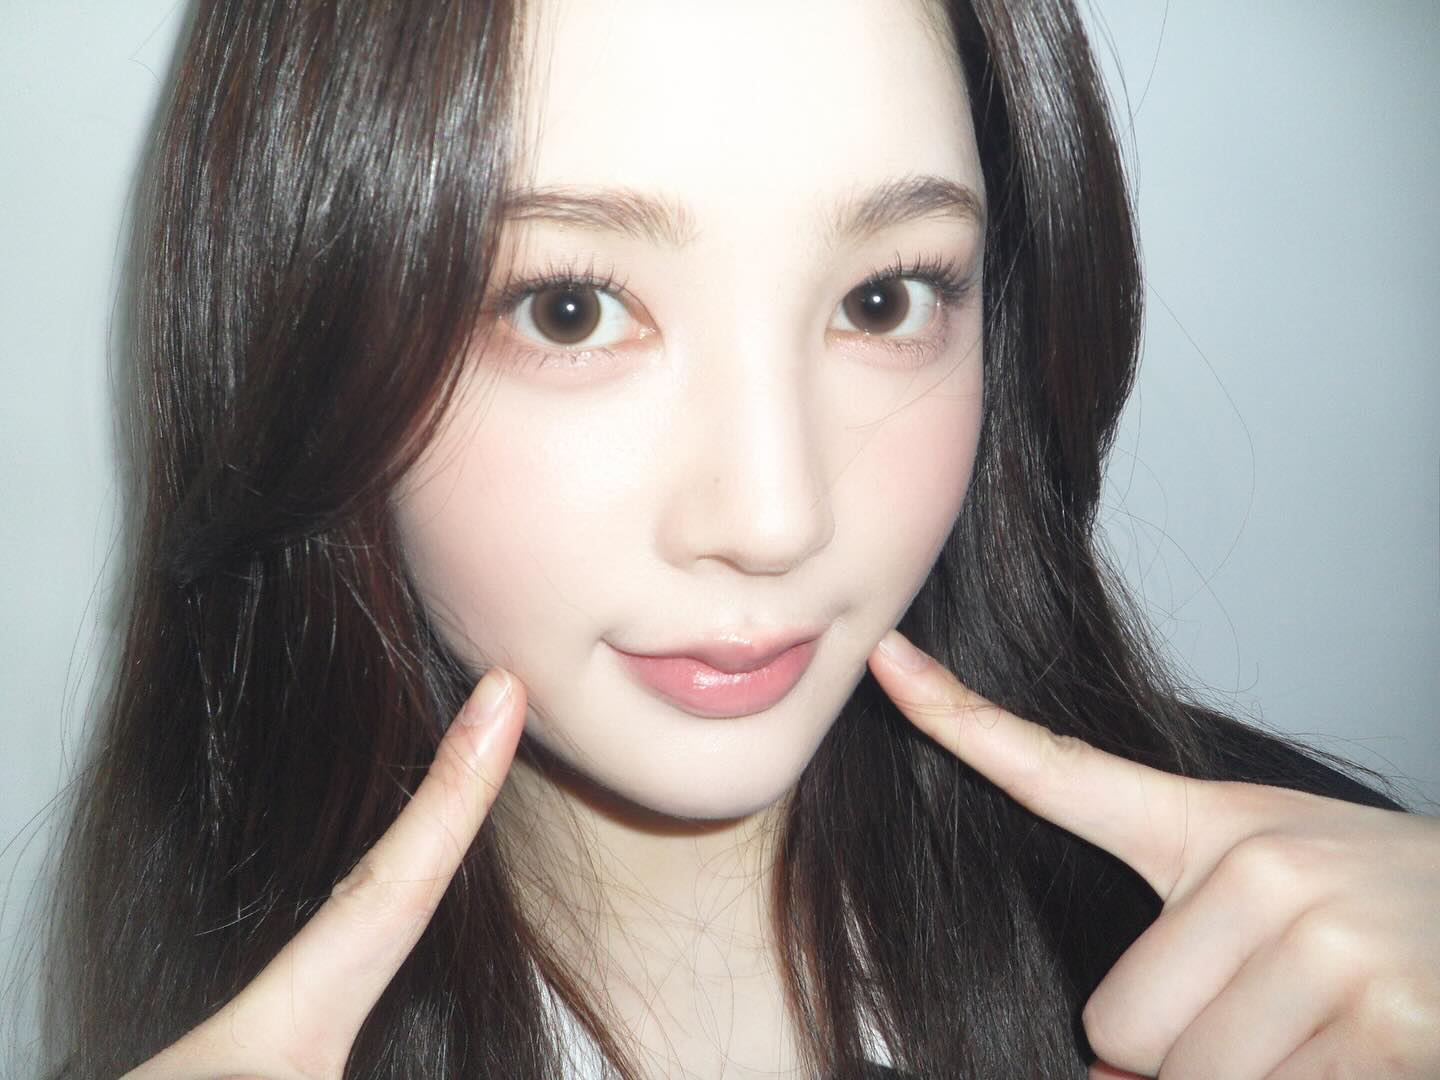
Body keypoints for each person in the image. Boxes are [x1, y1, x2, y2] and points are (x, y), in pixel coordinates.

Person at [37, 0, 1438, 1077]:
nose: (776, 519)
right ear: (310, 342)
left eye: (886, 299)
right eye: (571, 309)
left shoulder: (1310, 947)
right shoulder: (199, 988)